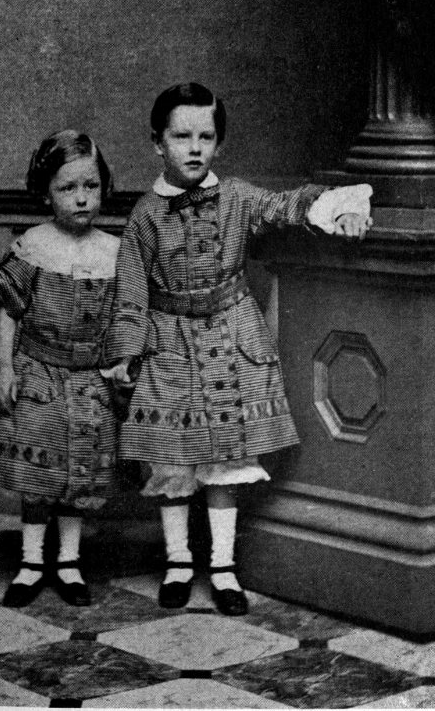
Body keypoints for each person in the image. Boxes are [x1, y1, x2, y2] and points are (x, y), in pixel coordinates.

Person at [102, 82, 372, 616]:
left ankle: (223, 566)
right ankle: (179, 562)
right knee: (172, 457)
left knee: (227, 456)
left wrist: (341, 209)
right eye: (181, 137)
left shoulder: (238, 198)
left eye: (206, 137)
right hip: (169, 345)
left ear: (219, 143)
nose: (194, 148)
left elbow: (288, 205)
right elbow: (131, 290)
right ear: (157, 142)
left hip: (232, 339)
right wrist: (125, 353)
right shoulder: (145, 216)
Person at [0, 130, 120, 608]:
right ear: (46, 193)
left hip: (90, 381)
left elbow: (123, 318)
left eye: (91, 185)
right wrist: (5, 368)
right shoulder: (34, 246)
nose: (81, 198)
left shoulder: (115, 251)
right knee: (38, 471)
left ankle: (68, 561)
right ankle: (30, 561)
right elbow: (10, 312)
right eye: (67, 188)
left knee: (78, 469)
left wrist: (120, 363)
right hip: (39, 374)